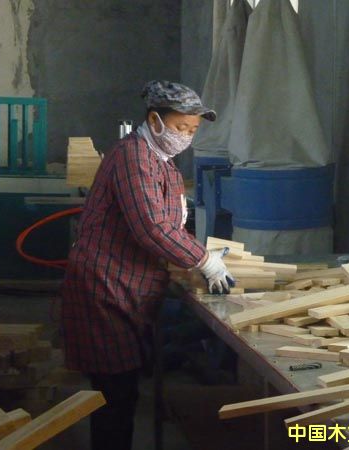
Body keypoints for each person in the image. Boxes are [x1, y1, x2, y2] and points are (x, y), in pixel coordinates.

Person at [59, 80, 234, 450]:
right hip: (106, 287)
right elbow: (152, 227)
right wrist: (204, 260)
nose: (186, 136)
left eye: (192, 130)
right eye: (180, 127)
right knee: (114, 395)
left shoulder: (163, 164)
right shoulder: (133, 157)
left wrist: (191, 255)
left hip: (131, 285)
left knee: (124, 388)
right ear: (155, 121)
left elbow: (172, 225)